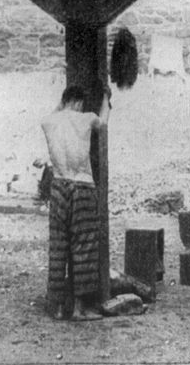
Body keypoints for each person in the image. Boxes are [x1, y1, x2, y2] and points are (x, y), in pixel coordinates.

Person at [41, 84, 111, 322]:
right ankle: (80, 309)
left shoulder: (49, 121)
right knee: (84, 248)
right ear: (80, 102)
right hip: (82, 186)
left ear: (63, 100)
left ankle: (59, 307)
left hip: (59, 186)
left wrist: (62, 104)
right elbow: (103, 123)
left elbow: (56, 111)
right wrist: (106, 100)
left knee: (59, 247)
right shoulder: (87, 119)